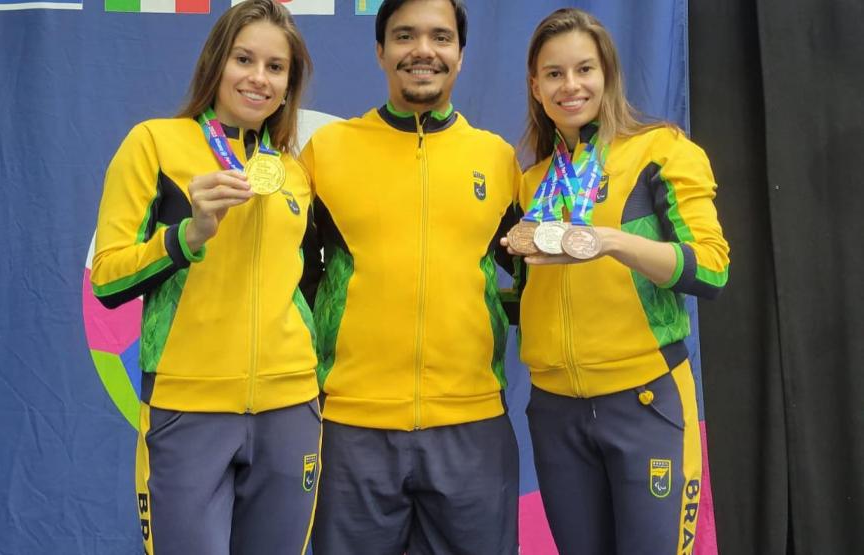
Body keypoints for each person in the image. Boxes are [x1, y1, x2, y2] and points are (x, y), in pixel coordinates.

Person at [90, 2, 320, 553]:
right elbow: (106, 280)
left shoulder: (294, 172)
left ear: (289, 85)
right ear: (217, 62)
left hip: (291, 410)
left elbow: (311, 285)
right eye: (244, 59)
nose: (258, 78)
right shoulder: (154, 143)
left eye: (275, 67)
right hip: (188, 405)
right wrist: (186, 237)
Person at [502, 8, 730, 555]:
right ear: (535, 85)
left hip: (646, 399)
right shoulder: (532, 180)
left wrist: (612, 242)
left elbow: (712, 267)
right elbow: (515, 299)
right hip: (556, 409)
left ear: (608, 74)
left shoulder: (661, 150)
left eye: (585, 69)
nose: (570, 85)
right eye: (554, 73)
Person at [299, 0, 521, 553]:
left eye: (440, 37)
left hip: (472, 426)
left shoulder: (497, 160)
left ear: (461, 55)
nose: (423, 50)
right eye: (405, 36)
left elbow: (537, 280)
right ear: (380, 51)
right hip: (350, 427)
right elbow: (292, 280)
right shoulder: (326, 153)